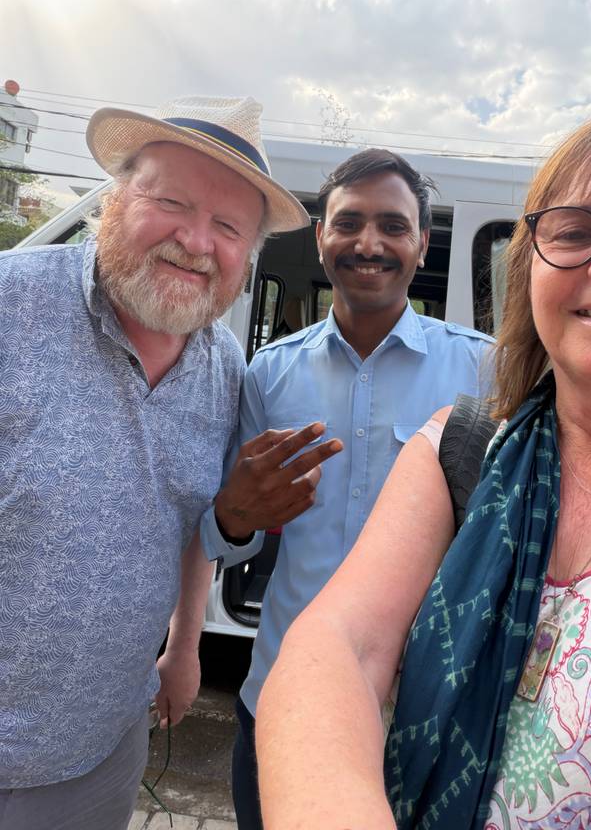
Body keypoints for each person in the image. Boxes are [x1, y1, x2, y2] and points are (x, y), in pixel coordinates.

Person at [255, 109, 591, 830]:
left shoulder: (464, 363)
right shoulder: (461, 449)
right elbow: (339, 647)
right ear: (530, 268)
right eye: (573, 231)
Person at [0, 95, 340, 830]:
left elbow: (194, 523)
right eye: (171, 202)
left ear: (247, 256)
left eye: (227, 227)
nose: (195, 241)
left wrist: (185, 647)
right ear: (117, 201)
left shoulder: (225, 368)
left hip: (100, 750)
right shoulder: (10, 304)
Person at [209, 147, 495, 829]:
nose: (370, 243)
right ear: (321, 237)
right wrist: (234, 517)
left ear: (422, 244)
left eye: (393, 226)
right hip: (281, 698)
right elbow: (223, 542)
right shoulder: (268, 376)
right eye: (350, 223)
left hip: (425, 712)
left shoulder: (484, 372)